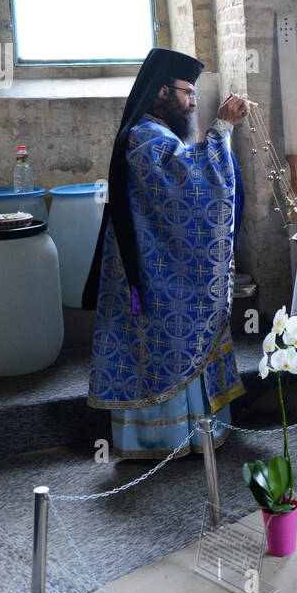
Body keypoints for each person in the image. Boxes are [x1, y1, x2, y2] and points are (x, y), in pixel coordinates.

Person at [82, 48, 250, 460]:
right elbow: (191, 185)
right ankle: (164, 438)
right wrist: (222, 128)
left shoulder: (157, 133)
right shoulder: (144, 136)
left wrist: (217, 133)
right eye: (187, 92)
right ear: (161, 92)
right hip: (152, 276)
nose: (193, 101)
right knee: (165, 344)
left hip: (163, 265)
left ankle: (195, 431)